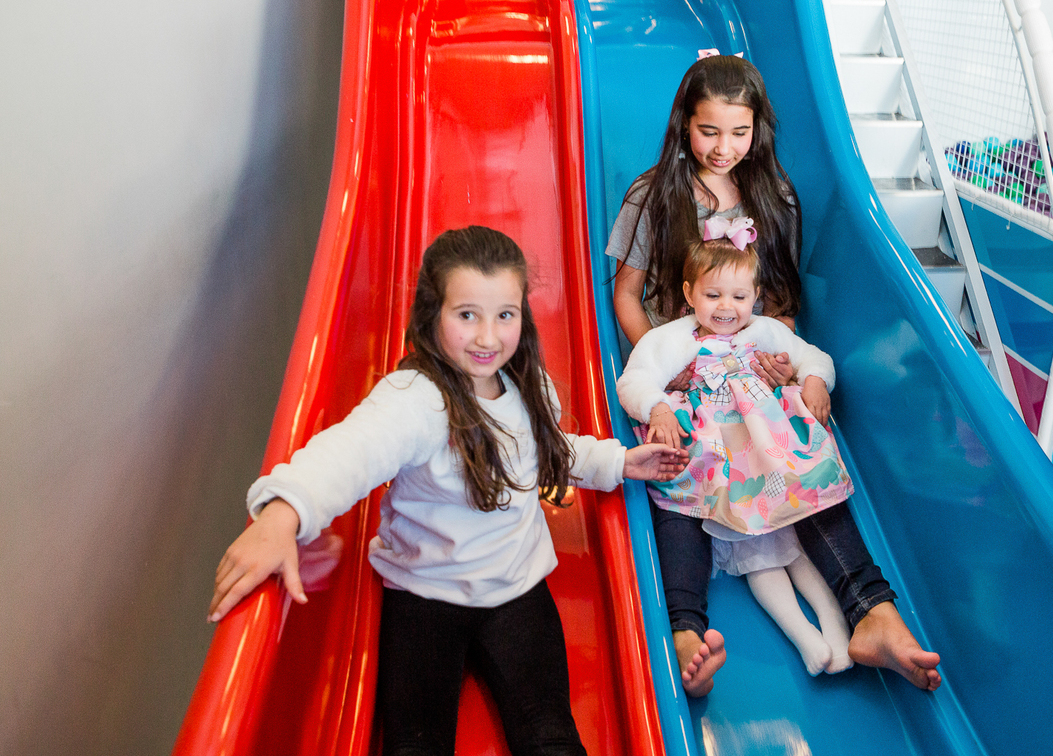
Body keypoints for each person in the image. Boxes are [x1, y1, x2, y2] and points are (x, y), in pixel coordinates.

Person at [207, 226, 688, 756]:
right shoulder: (415, 400)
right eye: (467, 315)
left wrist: (618, 461)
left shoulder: (526, 383)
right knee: (415, 743)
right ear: (433, 313)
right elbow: (349, 452)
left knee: (551, 735)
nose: (488, 337)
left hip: (517, 587)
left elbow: (545, 449)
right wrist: (282, 514)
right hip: (425, 594)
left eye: (505, 315)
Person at [605, 54, 941, 695]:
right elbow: (627, 292)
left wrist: (782, 362)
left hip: (751, 372)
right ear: (683, 124)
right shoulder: (654, 196)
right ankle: (685, 630)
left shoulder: (773, 197)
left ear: (758, 128)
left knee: (795, 459)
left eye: (740, 132)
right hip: (683, 375)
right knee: (679, 479)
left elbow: (779, 302)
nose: (723, 147)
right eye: (709, 131)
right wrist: (666, 362)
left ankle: (872, 612)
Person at [616, 231, 855, 677]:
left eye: (739, 296)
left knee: (793, 537)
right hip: (724, 460)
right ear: (689, 294)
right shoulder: (673, 338)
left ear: (756, 296)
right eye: (713, 295)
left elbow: (813, 357)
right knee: (754, 550)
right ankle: (806, 638)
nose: (726, 307)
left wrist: (815, 380)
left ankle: (834, 625)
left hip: (773, 450)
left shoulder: (765, 330)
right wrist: (658, 407)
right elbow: (634, 379)